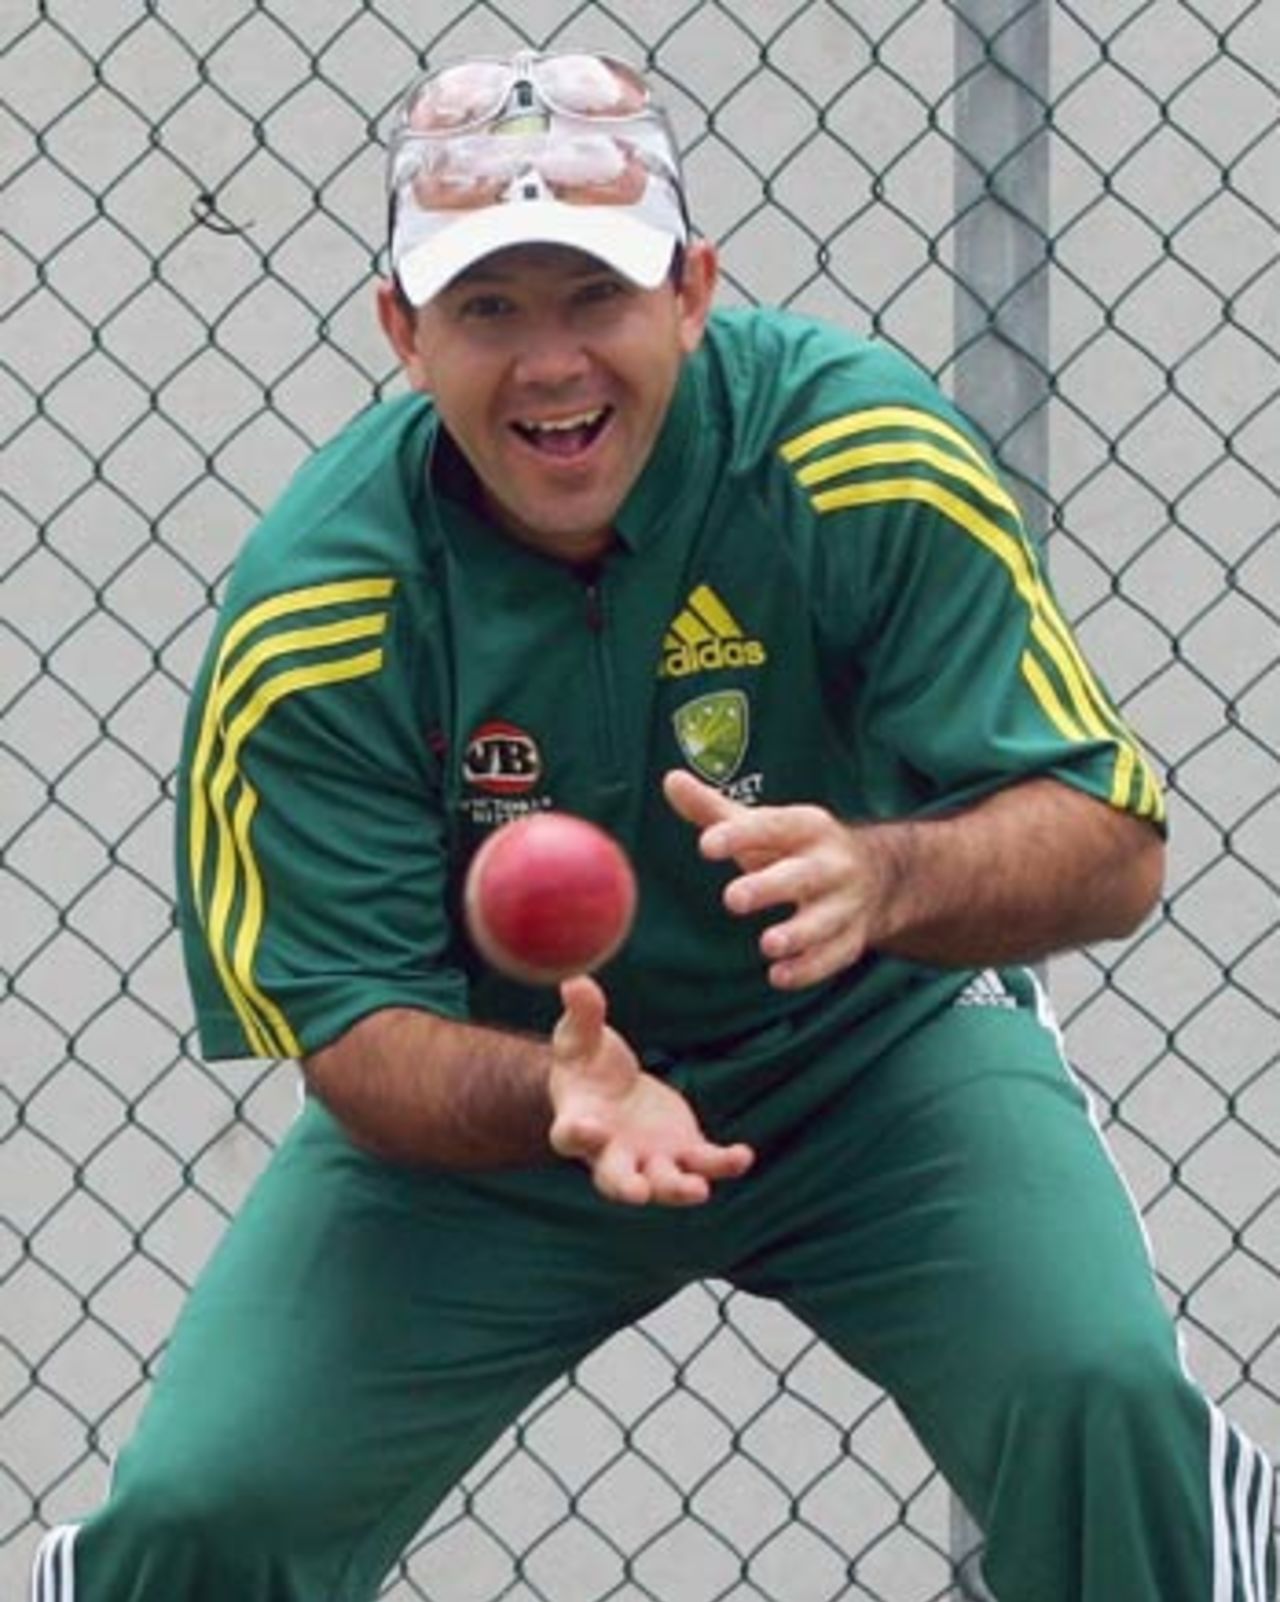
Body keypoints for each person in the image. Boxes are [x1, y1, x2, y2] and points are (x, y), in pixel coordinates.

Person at [31, 47, 1275, 1602]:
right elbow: (356, 1038)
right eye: (489, 309)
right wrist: (555, 1091)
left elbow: (1112, 839)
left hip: (872, 1058)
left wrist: (883, 874)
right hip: (507, 1107)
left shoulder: (851, 452)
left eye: (595, 297)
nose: (551, 364)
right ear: (403, 333)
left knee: (1098, 1394)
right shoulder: (319, 606)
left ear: (691, 289)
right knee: (207, 1508)